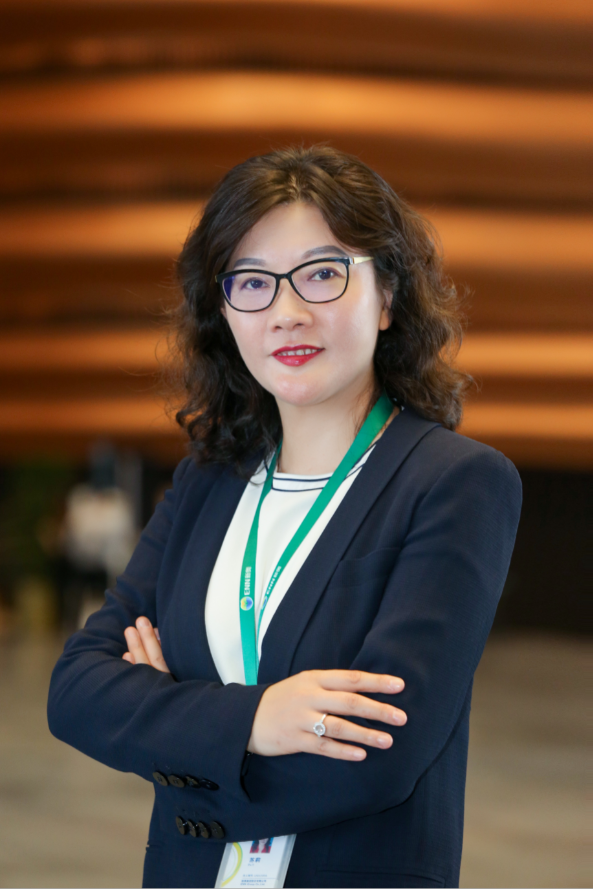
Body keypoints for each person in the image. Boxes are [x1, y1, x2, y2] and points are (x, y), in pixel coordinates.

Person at [47, 145, 522, 889]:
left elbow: (377, 759)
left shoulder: (454, 484)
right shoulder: (209, 482)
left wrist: (170, 733)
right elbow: (77, 691)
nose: (286, 313)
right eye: (252, 282)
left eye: (322, 274)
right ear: (224, 311)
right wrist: (257, 721)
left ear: (387, 296)